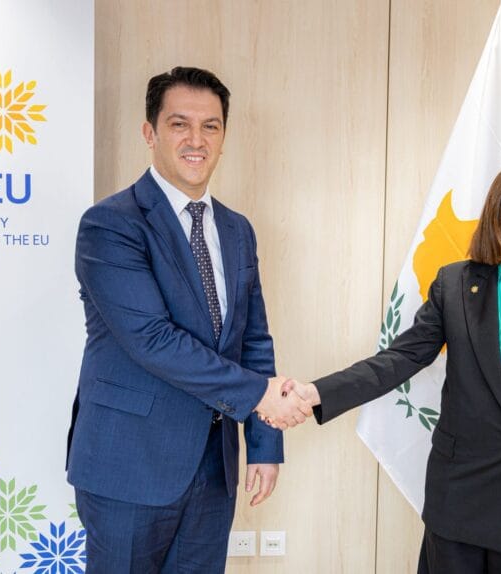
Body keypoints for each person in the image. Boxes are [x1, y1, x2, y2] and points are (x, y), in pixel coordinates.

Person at [274, 161, 501, 574]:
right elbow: (399, 358)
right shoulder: (454, 283)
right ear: (496, 211)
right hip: (460, 493)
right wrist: (316, 393)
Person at [65, 66, 311, 573]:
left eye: (210, 126)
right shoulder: (110, 225)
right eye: (179, 124)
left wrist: (265, 443)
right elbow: (153, 339)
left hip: (212, 470)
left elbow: (254, 341)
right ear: (150, 132)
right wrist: (262, 395)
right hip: (128, 467)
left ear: (223, 138)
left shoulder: (237, 230)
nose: (196, 140)